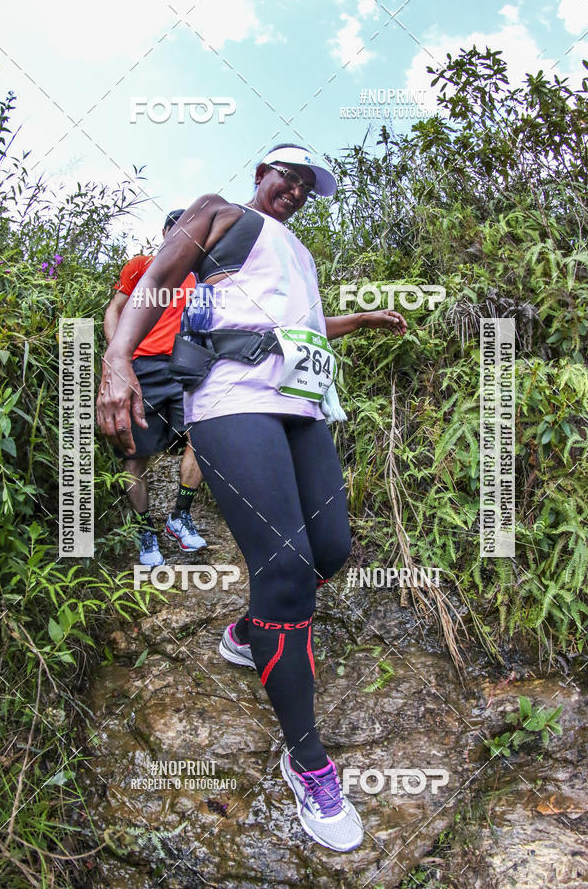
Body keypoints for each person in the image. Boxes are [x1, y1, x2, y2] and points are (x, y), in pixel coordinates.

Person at [97, 144, 407, 852]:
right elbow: (155, 280)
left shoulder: (302, 256)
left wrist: (360, 321)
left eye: (305, 186)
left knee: (330, 550)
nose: (294, 191)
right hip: (234, 397)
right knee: (288, 572)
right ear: (260, 175)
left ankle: (246, 635)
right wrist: (118, 361)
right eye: (285, 177)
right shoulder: (219, 213)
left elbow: (297, 329)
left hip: (301, 404)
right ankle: (309, 763)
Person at [103, 209, 206, 567]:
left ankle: (180, 516)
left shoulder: (199, 277)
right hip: (141, 366)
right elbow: (113, 310)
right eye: (177, 231)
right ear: (164, 232)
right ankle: (146, 530)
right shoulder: (141, 266)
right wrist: (118, 358)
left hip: (186, 365)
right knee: (134, 453)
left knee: (203, 437)